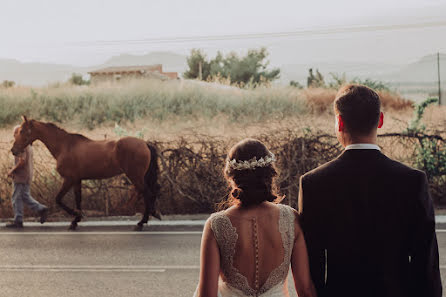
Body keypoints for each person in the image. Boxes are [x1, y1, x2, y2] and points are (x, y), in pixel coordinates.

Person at [298, 84, 442, 297]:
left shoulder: (313, 183)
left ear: (340, 123)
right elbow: (426, 263)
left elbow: (313, 265)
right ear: (380, 120)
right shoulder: (413, 181)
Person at [194, 139, 316, 297]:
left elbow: (207, 295)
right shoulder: (290, 219)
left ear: (231, 177)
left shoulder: (217, 224)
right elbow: (305, 289)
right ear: (269, 174)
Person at [6, 126, 48, 228]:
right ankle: (41, 209)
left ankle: (18, 220)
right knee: (25, 196)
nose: (13, 135)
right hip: (27, 175)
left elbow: (22, 161)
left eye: (15, 133)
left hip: (21, 176)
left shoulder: (22, 146)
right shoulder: (27, 145)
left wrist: (12, 170)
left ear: (19, 133)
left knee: (16, 198)